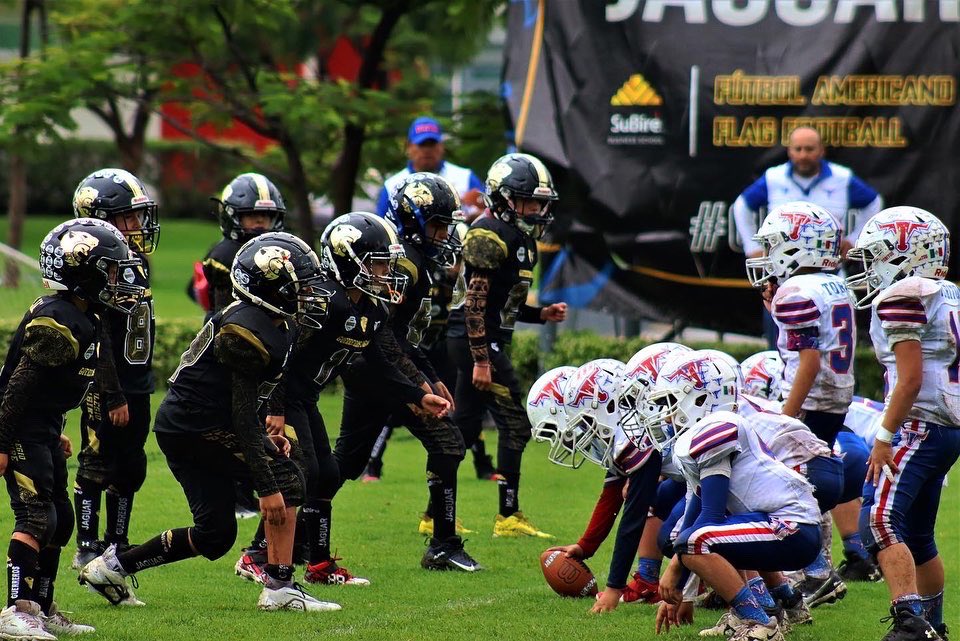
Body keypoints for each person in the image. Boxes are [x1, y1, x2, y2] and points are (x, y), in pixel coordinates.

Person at [79, 232, 341, 613]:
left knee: (215, 535)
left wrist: (267, 444)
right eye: (299, 284)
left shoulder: (271, 321)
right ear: (273, 287)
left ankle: (112, 567)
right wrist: (266, 484)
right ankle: (280, 586)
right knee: (286, 478)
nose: (310, 293)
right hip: (194, 427)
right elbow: (238, 413)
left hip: (190, 425)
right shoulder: (245, 331)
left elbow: (243, 404)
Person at [235, 212, 459, 584]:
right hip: (283, 396)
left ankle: (319, 566)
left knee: (328, 474)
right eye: (378, 263)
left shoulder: (370, 307)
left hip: (305, 398)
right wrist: (272, 408)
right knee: (302, 475)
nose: (387, 271)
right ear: (348, 259)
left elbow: (382, 364)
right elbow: (282, 354)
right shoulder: (321, 302)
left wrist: (419, 395)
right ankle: (257, 555)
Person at [0, 218, 146, 639]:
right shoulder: (58, 318)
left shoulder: (87, 313)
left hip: (41, 425)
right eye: (111, 270)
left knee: (61, 519)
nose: (119, 279)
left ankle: (40, 607)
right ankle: (15, 609)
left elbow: (51, 387)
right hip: (19, 425)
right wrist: (3, 440)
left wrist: (54, 426)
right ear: (83, 270)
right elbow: (18, 386)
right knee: (35, 515)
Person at [329, 193, 482, 571]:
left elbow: (399, 334)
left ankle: (273, 542)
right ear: (412, 221)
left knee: (346, 462)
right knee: (445, 441)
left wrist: (428, 375)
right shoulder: (406, 265)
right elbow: (383, 337)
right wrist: (417, 387)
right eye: (438, 225)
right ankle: (443, 545)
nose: (445, 234)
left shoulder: (413, 262)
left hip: (375, 366)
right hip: (375, 368)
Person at [646, 351, 820, 641]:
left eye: (672, 402)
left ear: (701, 398)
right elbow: (695, 517)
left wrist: (675, 568)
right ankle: (763, 612)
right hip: (780, 525)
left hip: (793, 527)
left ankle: (761, 625)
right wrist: (677, 593)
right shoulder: (708, 435)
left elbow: (707, 520)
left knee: (695, 542)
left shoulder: (716, 427)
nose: (667, 414)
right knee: (697, 539)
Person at [846, 206, 957, 641]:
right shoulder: (948, 293)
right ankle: (934, 626)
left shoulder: (903, 295)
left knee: (877, 519)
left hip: (918, 423)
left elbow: (909, 380)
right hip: (949, 427)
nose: (871, 265)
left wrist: (884, 435)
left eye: (878, 255)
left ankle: (910, 622)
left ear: (908, 254)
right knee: (918, 534)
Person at [447, 152, 567, 538]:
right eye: (530, 200)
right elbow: (475, 306)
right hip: (474, 342)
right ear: (503, 198)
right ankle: (508, 516)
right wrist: (482, 359)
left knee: (462, 431)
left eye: (540, 202)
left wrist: (540, 314)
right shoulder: (487, 235)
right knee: (516, 423)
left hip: (476, 341)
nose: (537, 209)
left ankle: (435, 514)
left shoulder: (519, 238)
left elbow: (502, 304)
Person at [747, 200, 856, 605]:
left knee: (782, 490)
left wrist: (785, 416)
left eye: (775, 245)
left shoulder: (796, 290)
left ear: (797, 247)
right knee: (809, 489)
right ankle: (820, 573)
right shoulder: (834, 283)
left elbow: (808, 360)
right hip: (834, 401)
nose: (767, 255)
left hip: (809, 404)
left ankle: (803, 574)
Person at [70, 168, 160, 572]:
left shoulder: (136, 261)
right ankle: (87, 544)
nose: (138, 225)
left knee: (131, 464)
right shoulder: (98, 268)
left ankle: (116, 541)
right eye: (128, 217)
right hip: (108, 385)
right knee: (96, 460)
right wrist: (113, 393)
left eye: (138, 216)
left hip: (137, 382)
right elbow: (101, 336)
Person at [732, 125, 883, 346]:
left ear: (821, 150)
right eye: (798, 149)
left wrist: (855, 240)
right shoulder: (774, 177)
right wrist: (750, 248)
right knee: (780, 346)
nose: (803, 155)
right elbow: (741, 206)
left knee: (832, 339)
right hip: (784, 274)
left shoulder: (842, 177)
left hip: (828, 273)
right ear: (789, 151)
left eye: (809, 149)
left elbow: (874, 203)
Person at [197, 172, 287, 521]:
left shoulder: (279, 252)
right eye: (252, 216)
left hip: (265, 343)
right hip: (233, 340)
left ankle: (250, 488)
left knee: (257, 420)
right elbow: (221, 312)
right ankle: (236, 494)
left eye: (266, 216)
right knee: (234, 418)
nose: (261, 223)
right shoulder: (224, 255)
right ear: (233, 218)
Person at [376, 117, 485, 222]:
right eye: (422, 144)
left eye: (432, 144)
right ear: (409, 146)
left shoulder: (465, 178)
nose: (427, 150)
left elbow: (488, 215)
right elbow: (383, 229)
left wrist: (477, 216)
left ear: (441, 146)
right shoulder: (392, 186)